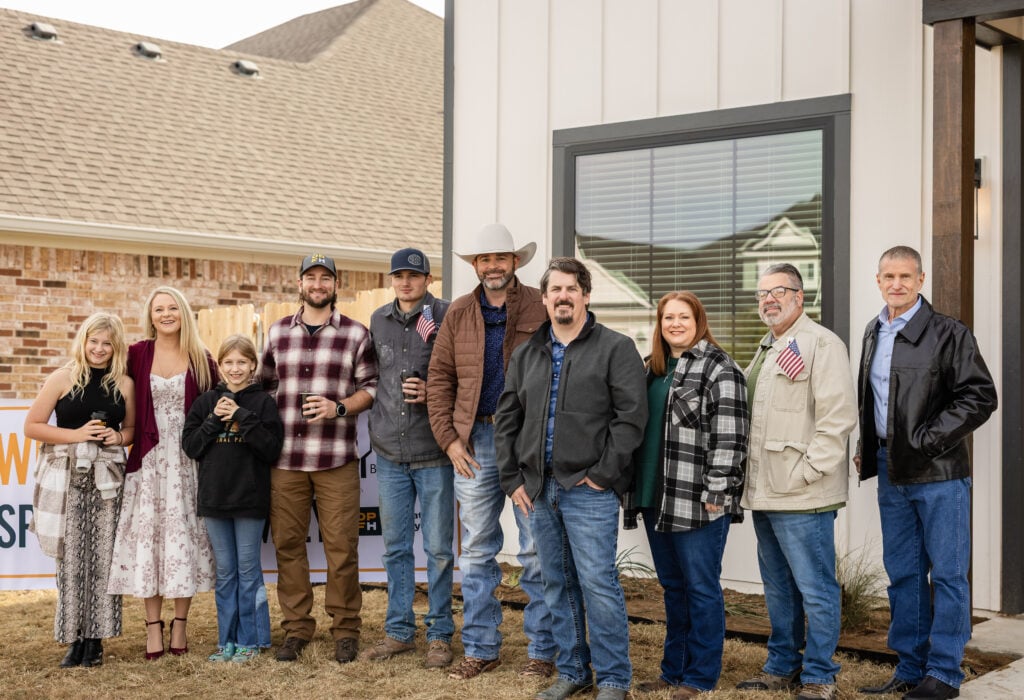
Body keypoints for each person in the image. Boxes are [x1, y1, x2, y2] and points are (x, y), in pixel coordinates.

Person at [496, 257, 648, 700]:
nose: (562, 296)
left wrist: (602, 475)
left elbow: (631, 419)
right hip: (538, 490)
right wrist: (512, 480)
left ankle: (615, 678)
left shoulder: (615, 348)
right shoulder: (527, 353)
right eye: (554, 290)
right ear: (544, 299)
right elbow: (507, 419)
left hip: (589, 490)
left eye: (570, 288)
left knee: (598, 582)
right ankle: (573, 671)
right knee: (556, 582)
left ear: (585, 294)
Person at [855, 246, 997, 700]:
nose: (896, 284)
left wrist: (926, 441)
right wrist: (868, 446)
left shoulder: (948, 333)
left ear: (920, 280)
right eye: (888, 276)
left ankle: (945, 673)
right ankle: (911, 667)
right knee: (903, 574)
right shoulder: (873, 331)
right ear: (878, 280)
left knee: (949, 575)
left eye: (905, 276)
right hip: (891, 471)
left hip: (939, 474)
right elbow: (875, 401)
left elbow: (979, 396)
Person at [426, 223, 557, 681]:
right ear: (475, 266)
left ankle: (543, 650)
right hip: (474, 443)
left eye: (501, 258)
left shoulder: (541, 309)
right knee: (478, 550)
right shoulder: (459, 313)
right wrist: (449, 439)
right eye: (485, 260)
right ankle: (482, 646)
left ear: (515, 262)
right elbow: (439, 378)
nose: (493, 266)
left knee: (536, 550)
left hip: (526, 443)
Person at [736, 263, 858, 700]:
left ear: (800, 296)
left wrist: (806, 473)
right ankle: (781, 665)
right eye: (762, 294)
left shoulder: (821, 344)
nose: (768, 299)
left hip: (803, 495)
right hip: (767, 493)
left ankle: (820, 675)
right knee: (779, 587)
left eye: (778, 291)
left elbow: (838, 418)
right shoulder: (768, 348)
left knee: (816, 587)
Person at [625, 291, 748, 699]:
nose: (675, 324)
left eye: (683, 317)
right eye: (667, 318)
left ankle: (699, 677)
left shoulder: (719, 367)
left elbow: (730, 435)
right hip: (654, 497)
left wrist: (718, 488)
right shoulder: (651, 370)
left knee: (701, 588)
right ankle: (672, 670)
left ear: (699, 320)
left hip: (697, 499)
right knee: (673, 589)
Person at [259, 253, 378, 664]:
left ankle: (345, 629)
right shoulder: (276, 334)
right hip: (286, 460)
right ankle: (296, 629)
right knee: (288, 545)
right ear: (300, 284)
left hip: (336, 459)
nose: (318, 284)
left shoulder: (355, 334)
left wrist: (339, 408)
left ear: (334, 285)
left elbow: (373, 387)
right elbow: (263, 388)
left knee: (342, 547)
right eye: (311, 277)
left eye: (325, 278)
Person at [107, 286, 217, 660]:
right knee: (150, 545)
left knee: (182, 543)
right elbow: (110, 394)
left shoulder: (201, 358)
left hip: (188, 465)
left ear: (183, 312)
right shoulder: (137, 354)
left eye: (173, 308)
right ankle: (153, 626)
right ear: (150, 316)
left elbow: (218, 406)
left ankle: (181, 623)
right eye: (159, 310)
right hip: (148, 464)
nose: (166, 314)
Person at [360, 248, 455, 668]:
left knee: (437, 549)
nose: (405, 282)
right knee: (396, 548)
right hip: (390, 450)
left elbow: (462, 374)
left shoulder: (446, 316)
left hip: (434, 449)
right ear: (391, 279)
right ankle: (399, 630)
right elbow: (371, 376)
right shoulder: (378, 319)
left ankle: (439, 634)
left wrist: (433, 392)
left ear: (428, 279)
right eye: (398, 275)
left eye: (413, 276)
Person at [25, 312, 135, 669]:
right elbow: (32, 426)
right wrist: (78, 435)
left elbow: (131, 429)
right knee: (70, 562)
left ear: (116, 346)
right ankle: (73, 639)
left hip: (107, 480)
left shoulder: (125, 383)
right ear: (83, 340)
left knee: (103, 560)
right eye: (94, 341)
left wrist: (116, 436)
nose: (99, 349)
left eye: (107, 343)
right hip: (67, 477)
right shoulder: (63, 377)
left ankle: (96, 640)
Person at [182, 335, 284, 663]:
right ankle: (226, 640)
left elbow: (271, 447)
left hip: (250, 499)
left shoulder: (263, 403)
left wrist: (241, 415)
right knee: (225, 572)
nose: (235, 368)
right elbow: (192, 447)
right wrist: (214, 419)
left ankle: (251, 641)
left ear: (253, 365)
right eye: (229, 363)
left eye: (242, 362)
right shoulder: (204, 402)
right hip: (214, 500)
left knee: (249, 570)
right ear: (220, 367)